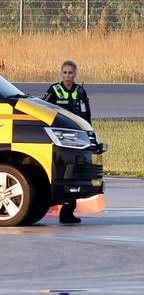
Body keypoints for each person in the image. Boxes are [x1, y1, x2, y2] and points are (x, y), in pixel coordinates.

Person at [42, 60, 91, 225]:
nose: (68, 76)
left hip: (76, 139)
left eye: (71, 73)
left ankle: (68, 212)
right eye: (65, 73)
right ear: (61, 74)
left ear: (75, 74)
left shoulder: (80, 91)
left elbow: (86, 116)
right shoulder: (54, 90)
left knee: (74, 174)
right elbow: (43, 109)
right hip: (59, 138)